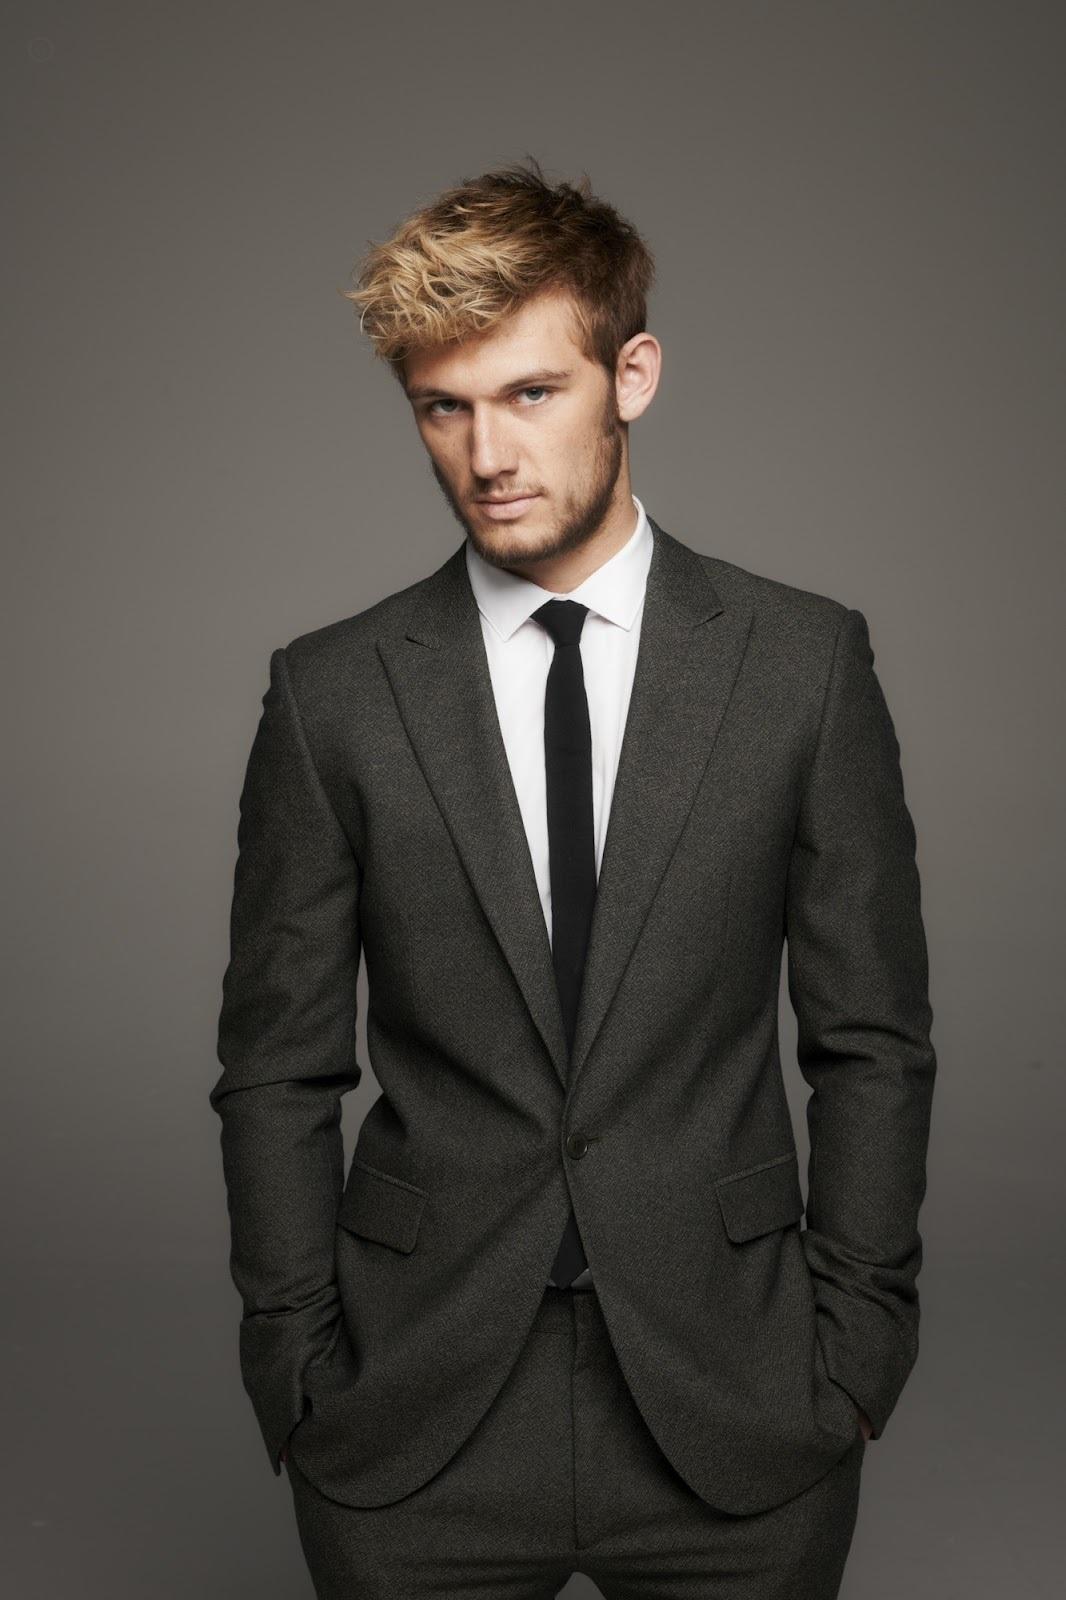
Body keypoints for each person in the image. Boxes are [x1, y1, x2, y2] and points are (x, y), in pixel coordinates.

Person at [210, 158, 937, 1599]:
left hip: (736, 1404)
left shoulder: (799, 666)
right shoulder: (333, 694)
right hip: (412, 1409)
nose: (487, 452)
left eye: (531, 393)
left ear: (633, 375)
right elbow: (275, 1068)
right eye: (444, 405)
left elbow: (871, 1041)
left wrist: (854, 1352)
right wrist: (295, 1362)